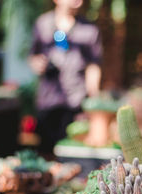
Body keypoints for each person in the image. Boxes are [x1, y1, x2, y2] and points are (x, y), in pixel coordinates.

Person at [29, 0, 102, 153]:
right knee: (46, 152)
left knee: (73, 152)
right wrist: (38, 64)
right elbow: (33, 56)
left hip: (76, 102)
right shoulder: (43, 24)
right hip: (48, 102)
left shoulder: (89, 29)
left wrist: (93, 99)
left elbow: (93, 66)